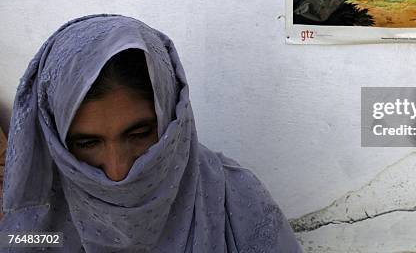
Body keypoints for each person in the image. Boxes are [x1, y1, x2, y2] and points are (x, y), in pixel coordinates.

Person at [1, 14, 302, 252]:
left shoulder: (235, 200)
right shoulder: (39, 222)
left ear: (174, 122)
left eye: (140, 133)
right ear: (57, 141)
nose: (118, 172)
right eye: (88, 142)